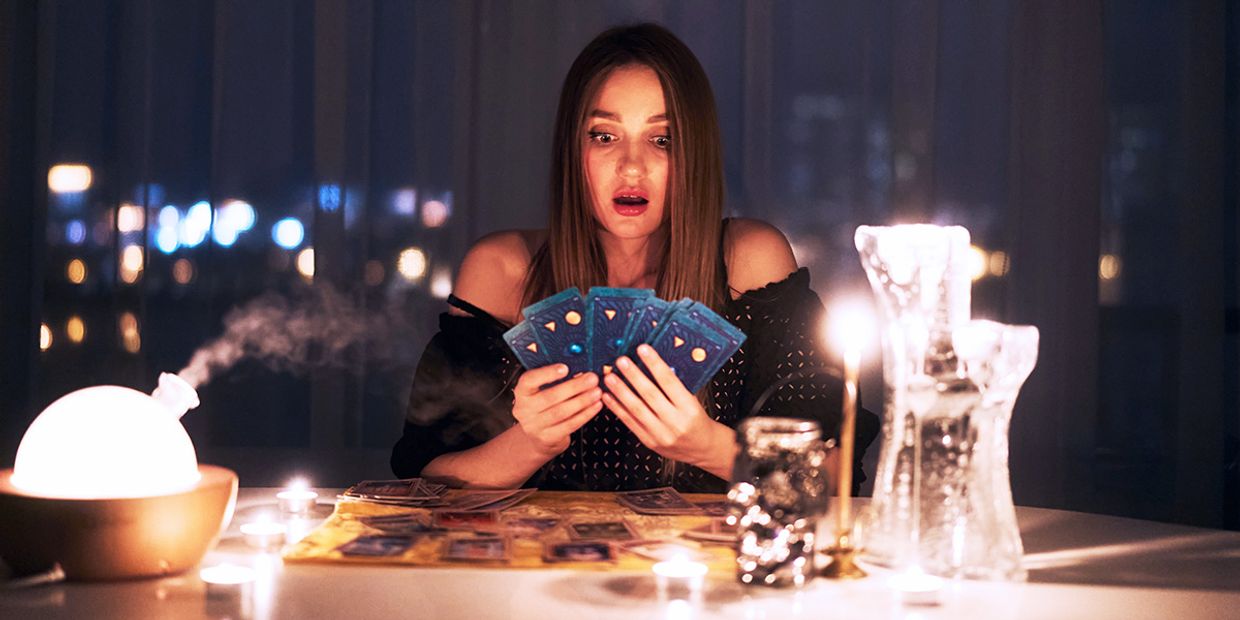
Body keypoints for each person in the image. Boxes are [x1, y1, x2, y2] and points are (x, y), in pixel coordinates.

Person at [390, 22, 877, 492]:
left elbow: (832, 474)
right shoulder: (503, 269)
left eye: (662, 140)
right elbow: (422, 478)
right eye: (604, 136)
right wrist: (530, 444)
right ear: (572, 149)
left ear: (694, 154)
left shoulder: (748, 262)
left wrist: (708, 446)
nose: (631, 167)